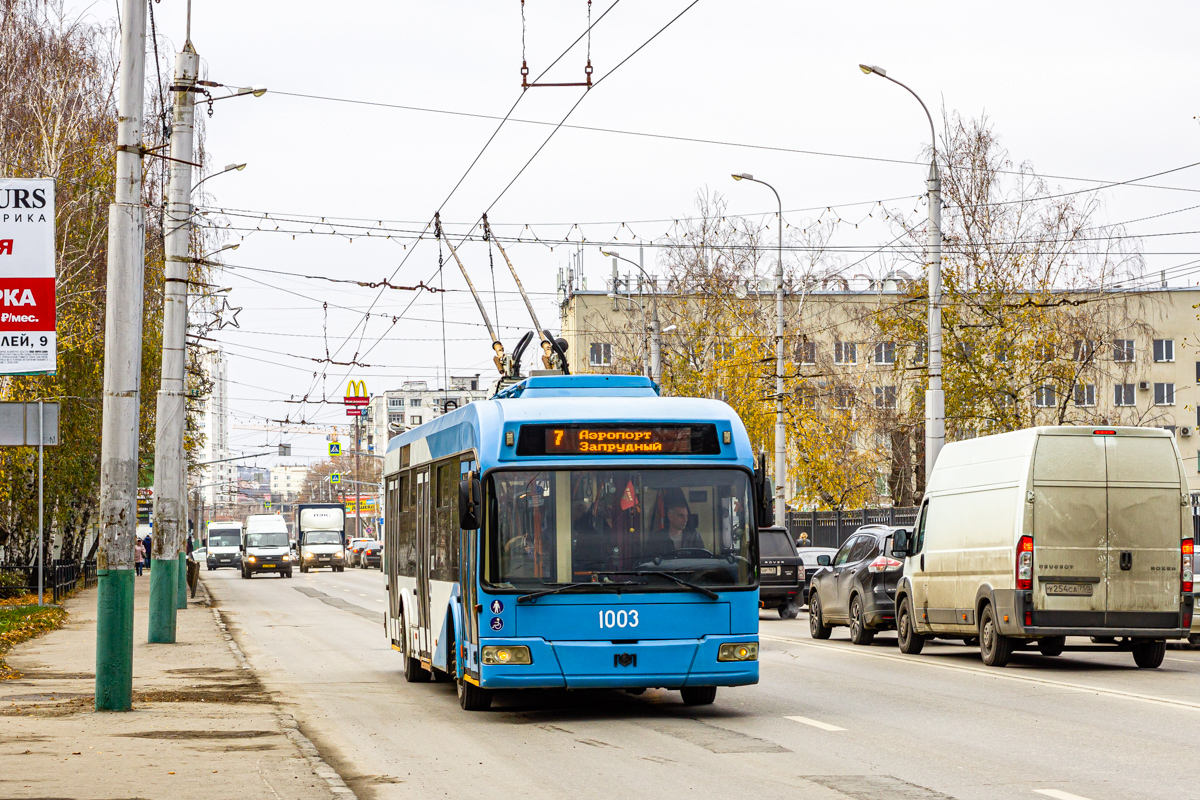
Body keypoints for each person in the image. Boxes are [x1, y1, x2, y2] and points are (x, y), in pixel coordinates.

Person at [645, 492, 704, 558]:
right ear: (670, 517)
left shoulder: (694, 536)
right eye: (681, 516)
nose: (685, 519)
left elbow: (701, 560)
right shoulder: (657, 538)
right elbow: (650, 562)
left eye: (686, 516)